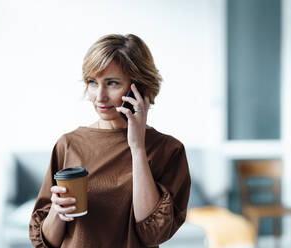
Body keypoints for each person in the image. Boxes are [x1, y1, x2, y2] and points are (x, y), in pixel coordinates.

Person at [29, 34, 191, 247]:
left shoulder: (168, 150)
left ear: (139, 87)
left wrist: (137, 147)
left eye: (112, 83)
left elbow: (154, 233)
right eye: (92, 82)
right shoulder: (67, 145)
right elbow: (44, 242)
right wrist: (57, 214)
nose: (99, 96)